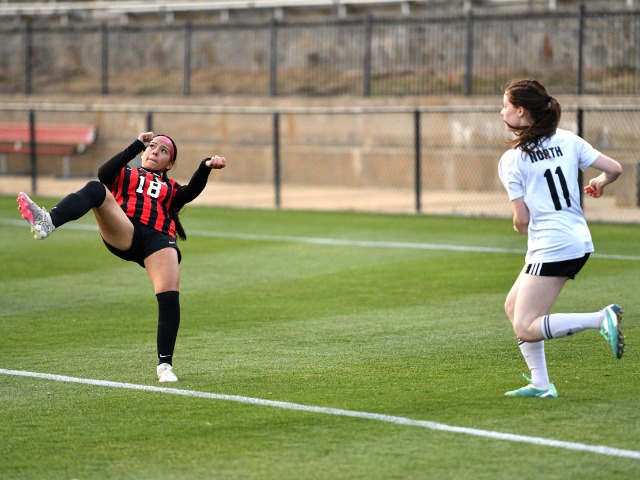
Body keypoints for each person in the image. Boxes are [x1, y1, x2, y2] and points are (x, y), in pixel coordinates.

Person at [17, 132, 226, 383]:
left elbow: (190, 192)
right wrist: (136, 144)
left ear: (170, 164)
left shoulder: (171, 189)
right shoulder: (126, 173)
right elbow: (104, 173)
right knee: (96, 188)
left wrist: (205, 166)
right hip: (125, 230)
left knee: (169, 295)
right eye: (152, 147)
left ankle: (165, 366)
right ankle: (47, 222)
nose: (155, 151)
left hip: (159, 239)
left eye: (163, 151)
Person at [498, 78, 625, 398]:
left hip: (552, 245)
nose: (502, 111)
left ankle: (601, 319)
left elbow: (521, 220)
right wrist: (599, 182)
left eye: (506, 105)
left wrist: (519, 225)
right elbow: (615, 168)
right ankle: (541, 384)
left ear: (521, 111)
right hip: (576, 239)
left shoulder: (513, 159)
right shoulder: (568, 140)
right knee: (513, 306)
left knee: (525, 325)